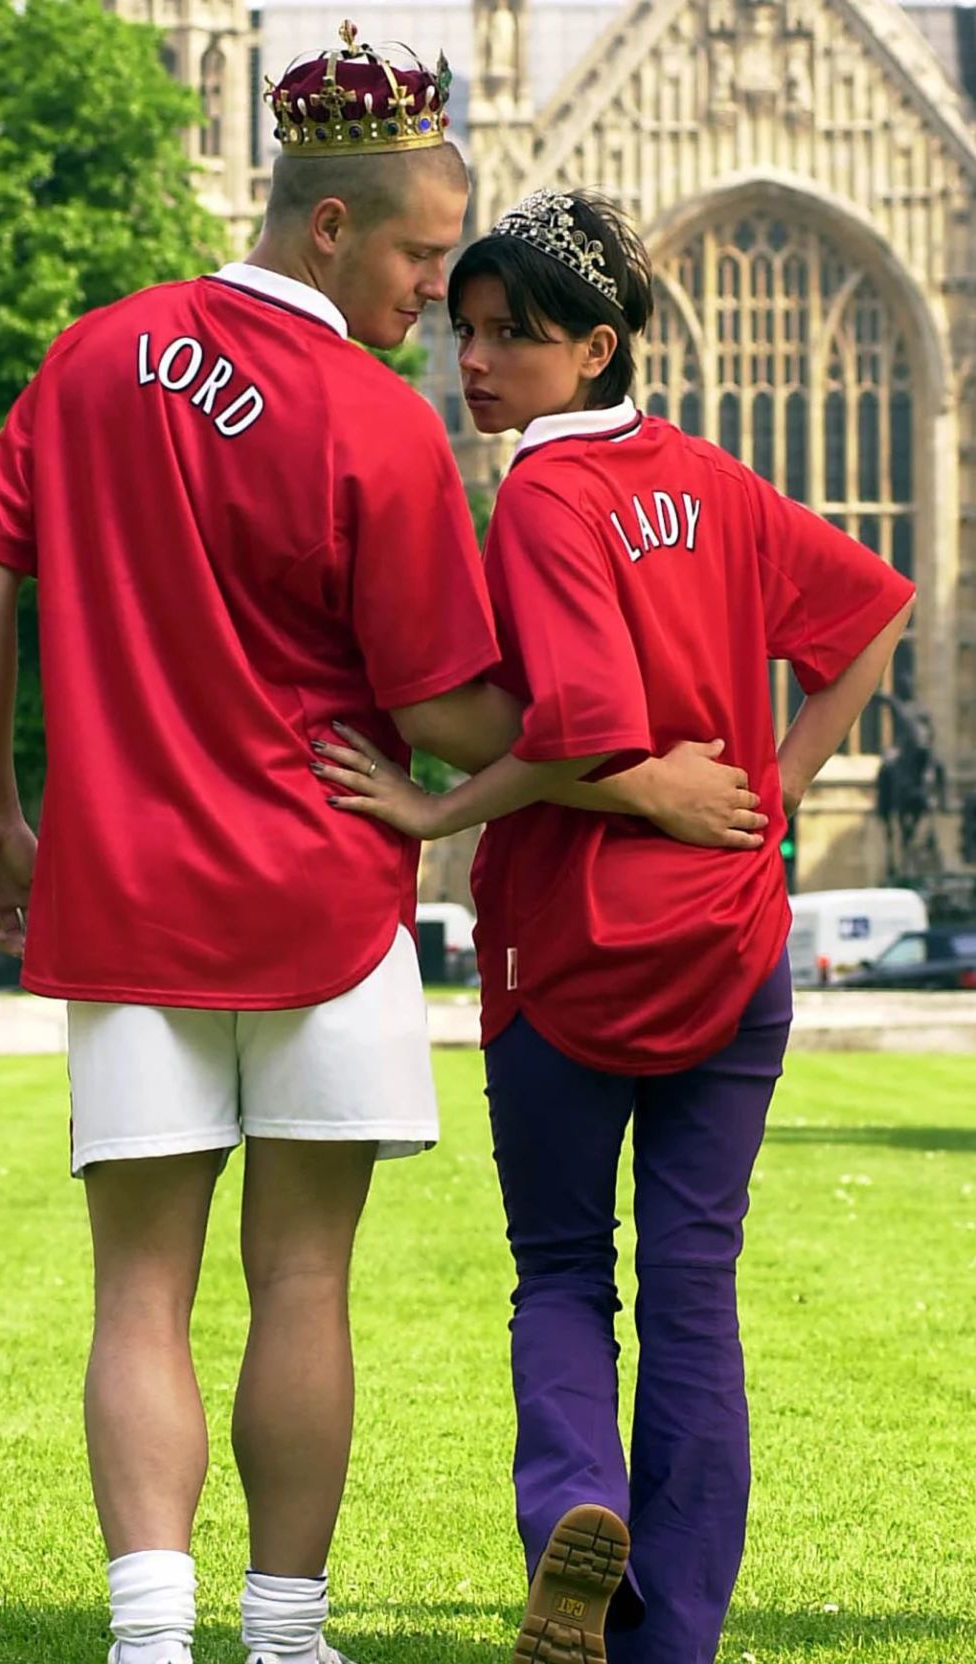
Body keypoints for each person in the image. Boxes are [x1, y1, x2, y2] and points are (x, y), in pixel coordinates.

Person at [0, 24, 514, 1664]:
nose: (430, 290)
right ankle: (286, 1626)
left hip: (121, 890)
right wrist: (607, 733)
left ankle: (147, 1632)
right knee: (304, 1279)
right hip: (326, 894)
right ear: (329, 227)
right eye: (418, 251)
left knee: (139, 1286)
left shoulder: (92, 353)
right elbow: (451, 710)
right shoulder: (378, 419)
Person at [305, 189, 916, 1664]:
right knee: (696, 1287)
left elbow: (581, 724)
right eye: (462, 332)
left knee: (568, 1272)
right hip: (732, 945)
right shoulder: (711, 480)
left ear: (594, 350)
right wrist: (772, 791)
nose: (475, 360)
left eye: (510, 336)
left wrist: (435, 812)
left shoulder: (543, 499)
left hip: (575, 945)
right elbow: (875, 611)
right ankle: (671, 1635)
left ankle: (578, 1506)